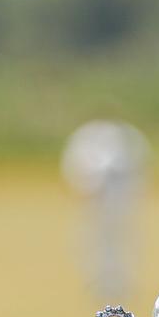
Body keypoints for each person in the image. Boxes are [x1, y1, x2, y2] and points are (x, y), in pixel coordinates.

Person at [60, 118, 150, 300]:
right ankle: (98, 284)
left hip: (121, 202)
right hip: (95, 203)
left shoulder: (127, 136)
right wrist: (84, 188)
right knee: (95, 245)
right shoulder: (87, 137)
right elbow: (76, 168)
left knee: (121, 244)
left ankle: (119, 283)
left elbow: (140, 168)